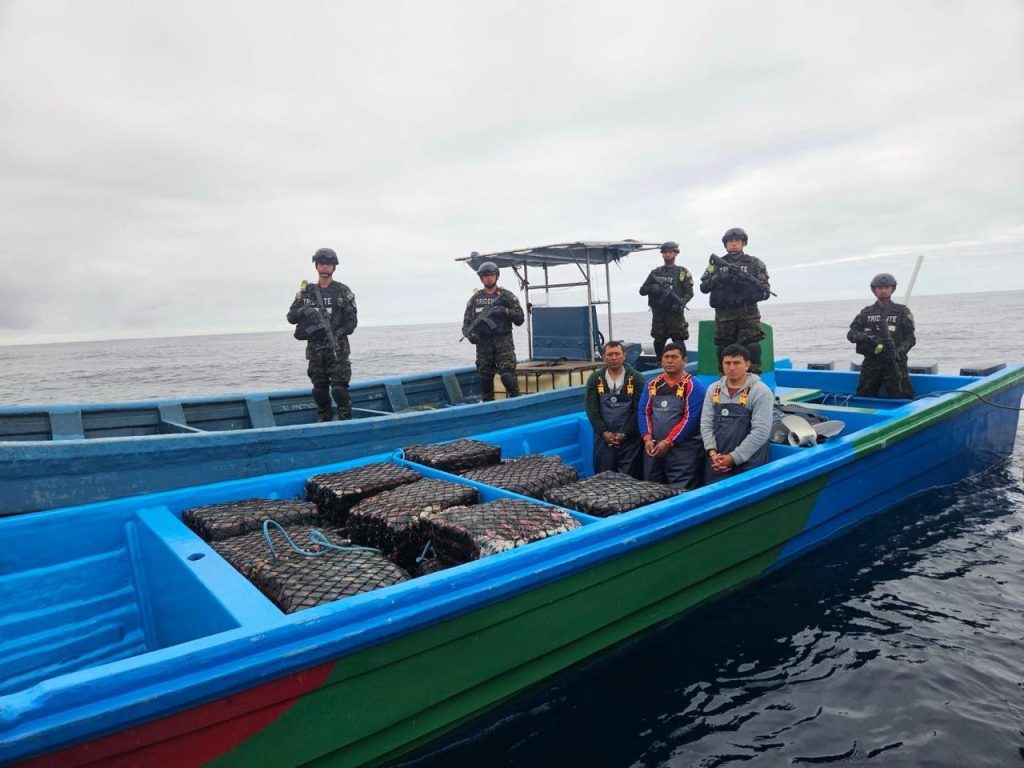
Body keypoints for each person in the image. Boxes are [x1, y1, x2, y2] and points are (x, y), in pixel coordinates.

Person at [286, 247, 358, 421]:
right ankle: (325, 419)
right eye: (322, 264)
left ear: (334, 267)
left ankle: (345, 419)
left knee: (339, 389)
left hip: (337, 347)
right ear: (316, 266)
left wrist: (336, 334)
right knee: (319, 389)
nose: (325, 267)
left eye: (329, 264)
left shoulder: (342, 291)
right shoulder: (306, 292)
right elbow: (291, 317)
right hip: (315, 348)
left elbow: (351, 322)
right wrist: (303, 308)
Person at [699, 227, 771, 373]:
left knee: (752, 346)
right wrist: (718, 277)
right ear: (725, 244)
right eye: (730, 241)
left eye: (737, 240)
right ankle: (723, 377)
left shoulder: (755, 263)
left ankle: (754, 377)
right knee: (723, 348)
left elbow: (766, 291)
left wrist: (751, 294)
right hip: (724, 315)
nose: (733, 244)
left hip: (748, 314)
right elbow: (704, 287)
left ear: (743, 243)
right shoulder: (716, 264)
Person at [700, 343, 774, 484]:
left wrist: (733, 458)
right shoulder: (713, 389)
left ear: (747, 365)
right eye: (727, 363)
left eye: (737, 363)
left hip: (749, 465)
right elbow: (706, 424)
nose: (732, 368)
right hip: (717, 462)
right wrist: (712, 452)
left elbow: (761, 432)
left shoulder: (761, 391)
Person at [637, 343, 706, 489]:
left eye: (674, 357)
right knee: (651, 489)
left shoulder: (694, 385)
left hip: (683, 452)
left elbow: (691, 419)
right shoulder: (652, 384)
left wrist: (669, 442)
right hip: (654, 448)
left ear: (684, 360)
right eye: (666, 357)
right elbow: (644, 412)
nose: (669, 360)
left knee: (681, 490)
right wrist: (647, 438)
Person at [462, 261, 525, 401]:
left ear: (497, 276)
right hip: (483, 345)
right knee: (485, 378)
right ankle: (488, 405)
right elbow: (466, 324)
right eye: (485, 275)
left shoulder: (506, 296)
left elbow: (520, 319)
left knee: (507, 376)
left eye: (491, 275)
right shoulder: (475, 299)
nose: (489, 278)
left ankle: (517, 401)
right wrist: (471, 336)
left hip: (504, 343)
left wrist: (505, 311)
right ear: (481, 278)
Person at [846, 272, 916, 398]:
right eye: (879, 288)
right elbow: (851, 334)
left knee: (902, 396)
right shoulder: (866, 313)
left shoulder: (901, 311)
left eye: (886, 287)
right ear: (874, 290)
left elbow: (911, 338)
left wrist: (899, 351)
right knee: (864, 396)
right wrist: (868, 338)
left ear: (892, 289)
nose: (883, 290)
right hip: (872, 361)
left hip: (895, 362)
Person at [584, 341, 646, 478]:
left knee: (629, 477)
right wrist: (604, 432)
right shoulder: (595, 379)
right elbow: (592, 409)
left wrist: (624, 434)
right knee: (603, 477)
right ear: (604, 357)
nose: (614, 358)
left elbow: (639, 410)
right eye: (610, 354)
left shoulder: (637, 379)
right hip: (604, 440)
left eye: (617, 354)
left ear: (624, 355)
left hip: (630, 440)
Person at [638, 241, 694, 361]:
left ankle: (682, 363)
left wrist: (682, 302)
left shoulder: (682, 272)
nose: (667, 254)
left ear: (676, 253)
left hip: (675, 315)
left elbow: (689, 293)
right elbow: (642, 290)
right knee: (658, 341)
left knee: (679, 341)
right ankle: (659, 363)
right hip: (659, 314)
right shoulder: (656, 272)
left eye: (670, 252)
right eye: (665, 252)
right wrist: (653, 288)